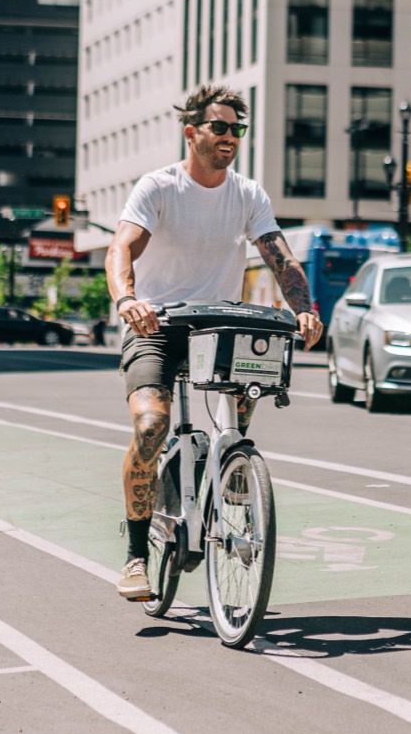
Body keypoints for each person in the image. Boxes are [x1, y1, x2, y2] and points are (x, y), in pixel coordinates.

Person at [107, 82, 323, 600]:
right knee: (153, 424)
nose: (230, 137)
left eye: (237, 130)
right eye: (220, 127)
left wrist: (304, 309)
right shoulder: (158, 187)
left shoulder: (247, 194)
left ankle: (221, 471)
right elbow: (121, 250)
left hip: (217, 326)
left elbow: (280, 256)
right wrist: (127, 300)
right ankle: (137, 554)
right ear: (192, 133)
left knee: (242, 410)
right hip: (154, 324)